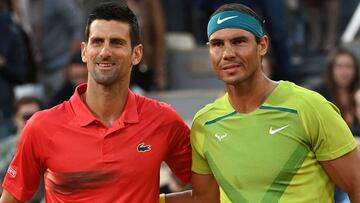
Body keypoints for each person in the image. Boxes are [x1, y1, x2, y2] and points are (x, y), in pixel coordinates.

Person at [164, 3, 360, 203]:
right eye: (217, 44)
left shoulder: (309, 107)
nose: (227, 53)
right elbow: (205, 199)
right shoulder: (204, 123)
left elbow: (357, 187)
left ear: (263, 45)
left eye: (239, 41)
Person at [0, 2, 191, 203]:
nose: (105, 52)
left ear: (137, 54)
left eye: (116, 42)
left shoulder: (163, 120)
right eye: (97, 42)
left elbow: (206, 190)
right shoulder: (42, 126)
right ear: (84, 51)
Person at [0, 96, 43, 202]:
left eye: (35, 116)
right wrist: (19, 147)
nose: (31, 121)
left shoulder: (49, 146)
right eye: (26, 117)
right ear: (16, 119)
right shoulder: (5, 146)